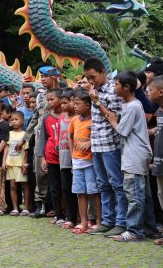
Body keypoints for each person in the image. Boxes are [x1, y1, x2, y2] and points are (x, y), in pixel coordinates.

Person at [105, 72, 158, 242]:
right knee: (145, 195)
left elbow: (123, 131)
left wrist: (112, 120)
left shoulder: (133, 106)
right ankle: (150, 228)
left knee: (134, 194)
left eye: (116, 84)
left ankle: (134, 230)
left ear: (126, 88)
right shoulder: (132, 106)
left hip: (134, 155)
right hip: (138, 153)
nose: (114, 87)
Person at [83, 57, 127, 237]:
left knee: (117, 184)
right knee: (103, 185)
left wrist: (96, 101)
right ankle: (107, 221)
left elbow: (114, 117)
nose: (90, 81)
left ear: (103, 72)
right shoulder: (95, 90)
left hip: (111, 145)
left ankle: (121, 222)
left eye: (93, 77)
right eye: (88, 78)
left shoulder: (113, 91)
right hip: (97, 145)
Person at [18, 66, 61, 219]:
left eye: (45, 76)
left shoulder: (62, 94)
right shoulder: (40, 97)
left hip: (58, 136)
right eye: (41, 76)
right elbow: (35, 119)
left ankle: (58, 207)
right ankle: (41, 204)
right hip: (40, 137)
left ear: (55, 77)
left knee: (59, 173)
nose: (42, 79)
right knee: (39, 173)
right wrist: (25, 138)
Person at [69, 91, 101, 234]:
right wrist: (72, 154)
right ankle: (83, 222)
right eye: (73, 104)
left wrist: (90, 143)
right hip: (77, 162)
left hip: (90, 162)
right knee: (80, 192)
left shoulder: (94, 119)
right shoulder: (74, 120)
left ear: (88, 105)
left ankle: (99, 221)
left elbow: (99, 137)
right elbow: (70, 136)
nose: (74, 107)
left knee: (94, 192)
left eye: (77, 104)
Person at [39, 88, 64, 225]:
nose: (49, 102)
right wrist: (43, 158)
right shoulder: (46, 117)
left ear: (60, 99)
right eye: (48, 100)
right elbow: (43, 138)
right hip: (51, 156)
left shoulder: (67, 116)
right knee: (54, 187)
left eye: (52, 99)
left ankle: (69, 214)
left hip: (66, 157)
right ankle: (58, 214)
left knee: (66, 186)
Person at [4, 111, 30, 216]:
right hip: (11, 163)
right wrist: (4, 161)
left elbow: (26, 150)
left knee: (24, 186)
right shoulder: (9, 134)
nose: (14, 122)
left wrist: (24, 164)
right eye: (12, 120)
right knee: (12, 186)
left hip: (20, 164)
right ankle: (15, 208)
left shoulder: (25, 135)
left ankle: (26, 208)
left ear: (22, 121)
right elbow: (6, 148)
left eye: (16, 119)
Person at [58, 89, 77, 228]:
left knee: (79, 189)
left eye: (66, 103)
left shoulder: (77, 118)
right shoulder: (61, 117)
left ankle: (82, 217)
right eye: (62, 103)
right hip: (63, 158)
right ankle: (70, 217)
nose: (63, 106)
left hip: (77, 158)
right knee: (66, 189)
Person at [147, 76, 163, 246]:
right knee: (161, 196)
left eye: (150, 90)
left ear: (161, 92)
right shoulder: (159, 112)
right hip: (159, 164)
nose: (148, 93)